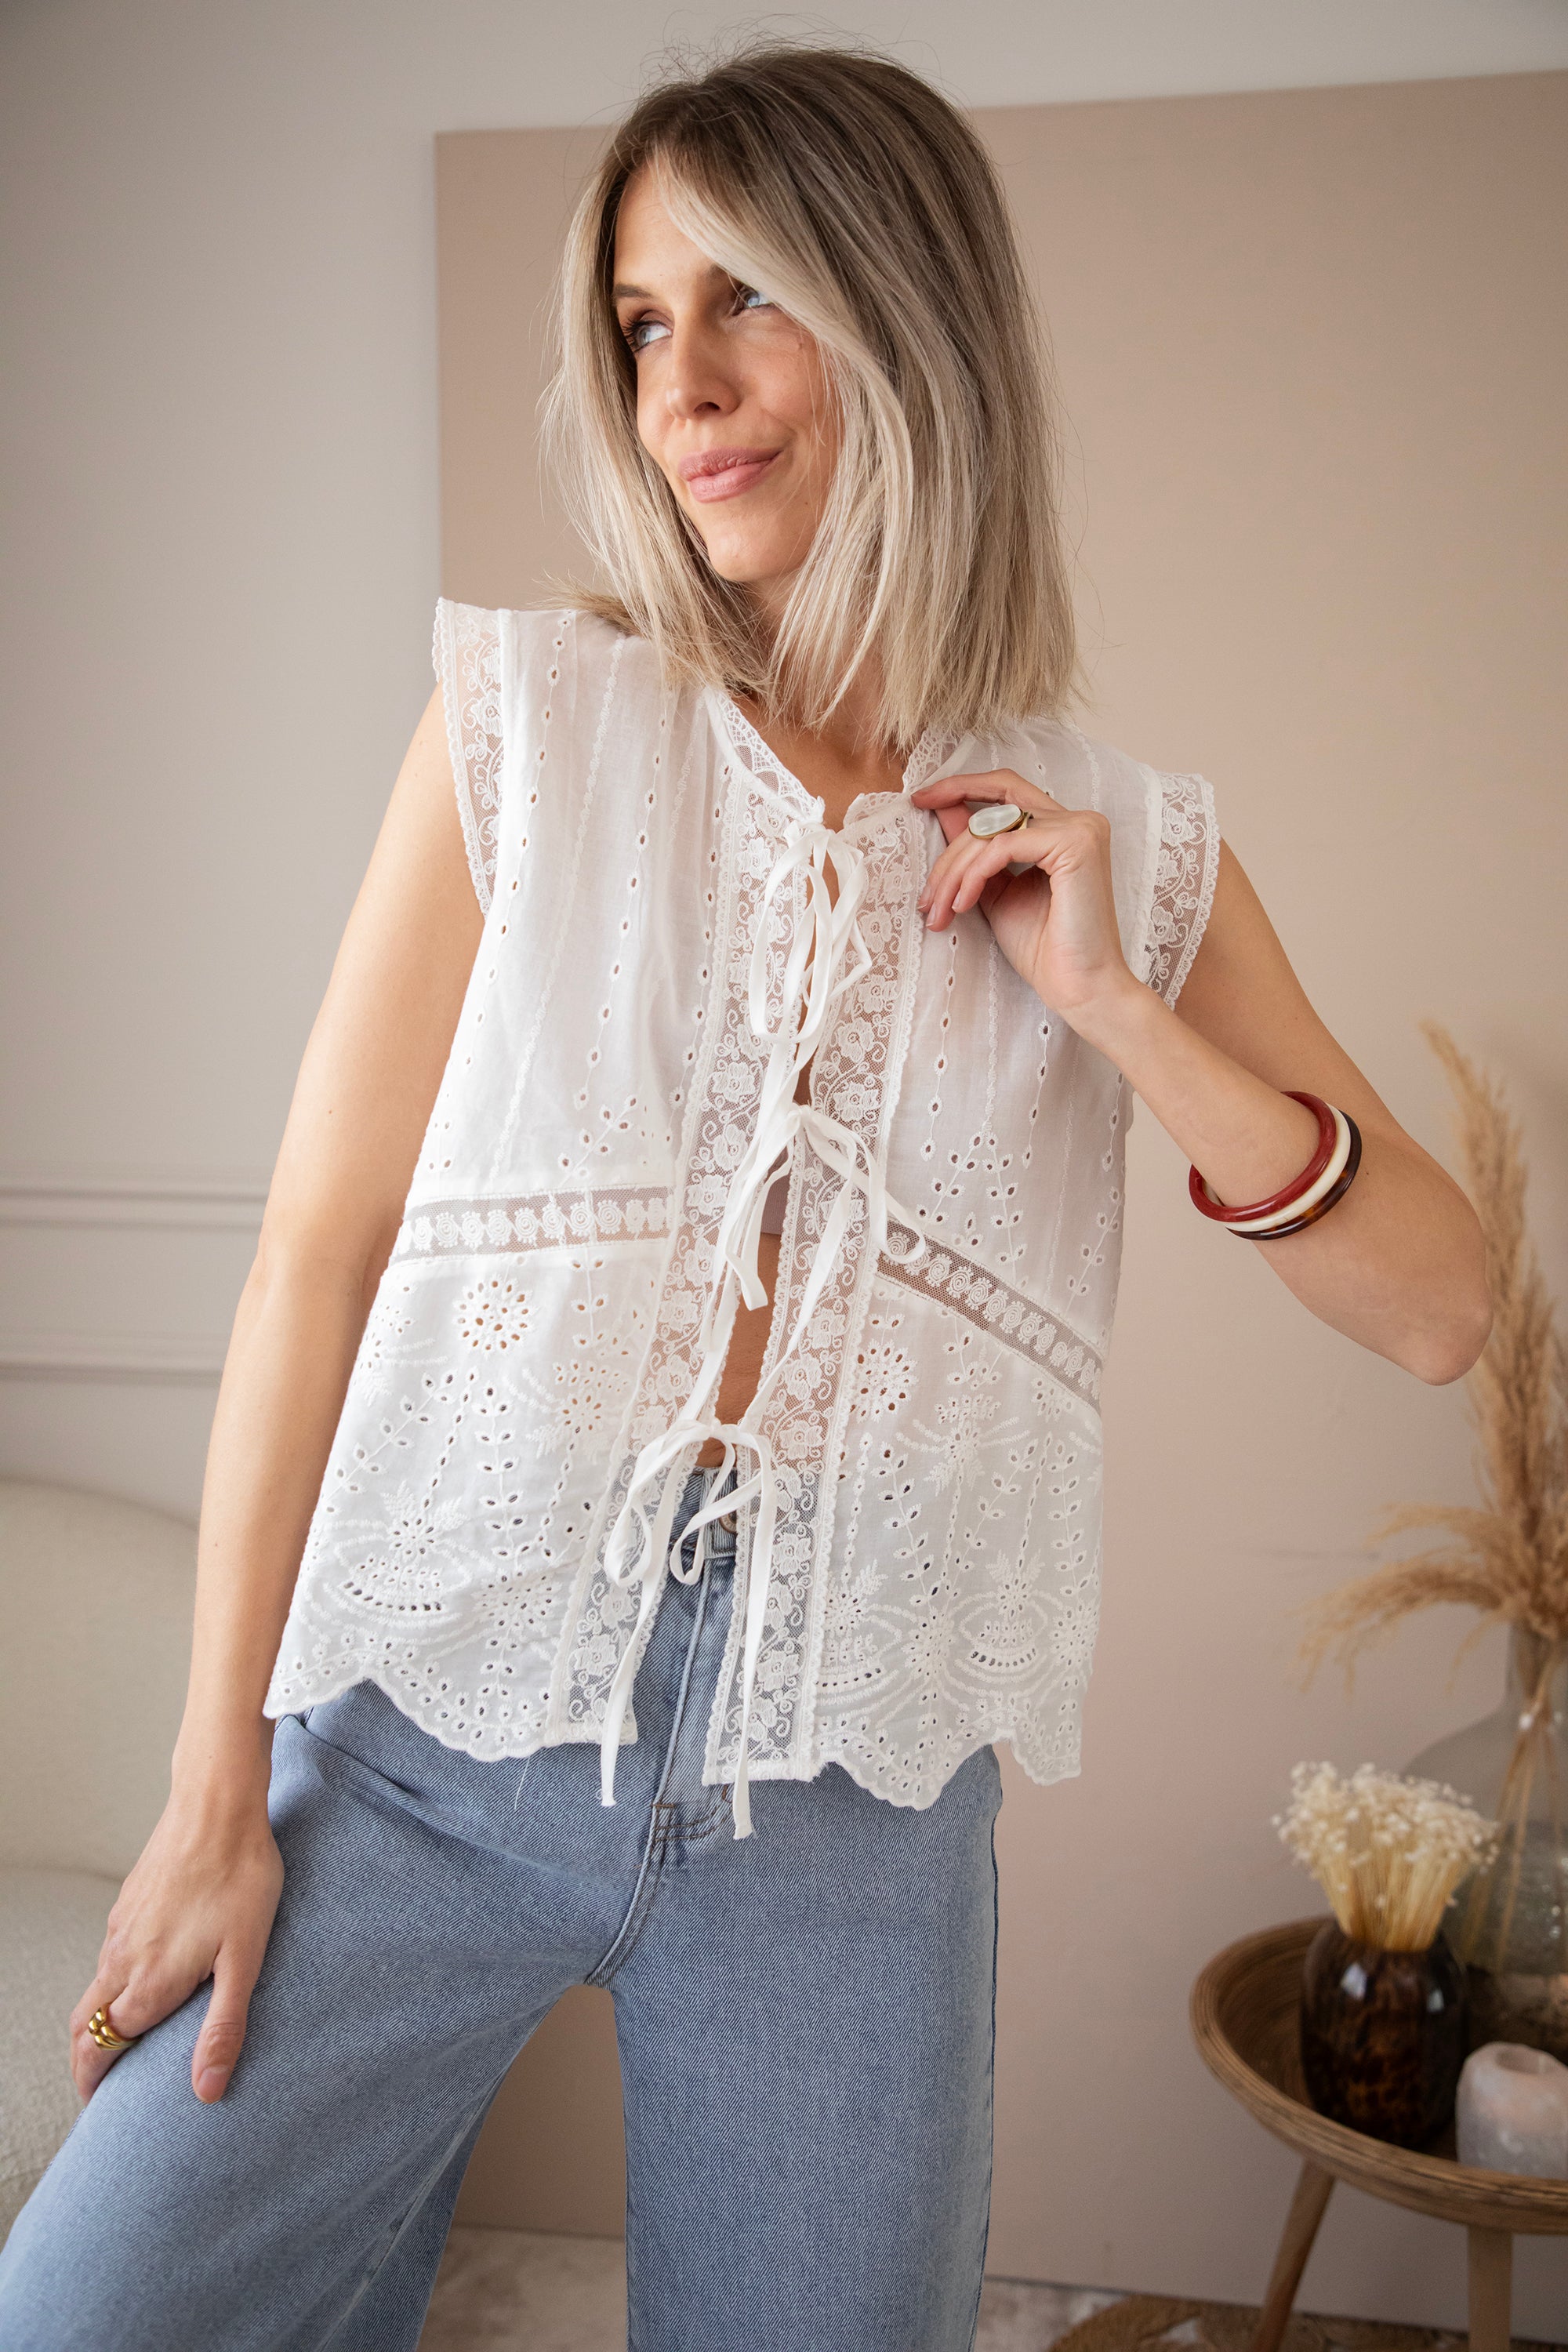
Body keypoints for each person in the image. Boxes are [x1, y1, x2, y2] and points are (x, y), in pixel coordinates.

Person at [0, 42, 1490, 2352]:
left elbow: (1440, 1306)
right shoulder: (527, 724)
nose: (677, 386)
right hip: (435, 1733)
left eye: (745, 300)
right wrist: (212, 1793)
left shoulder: (1116, 836)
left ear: (907, 316)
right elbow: (317, 1255)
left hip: (847, 1817)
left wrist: (1114, 1008)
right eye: (636, 324)